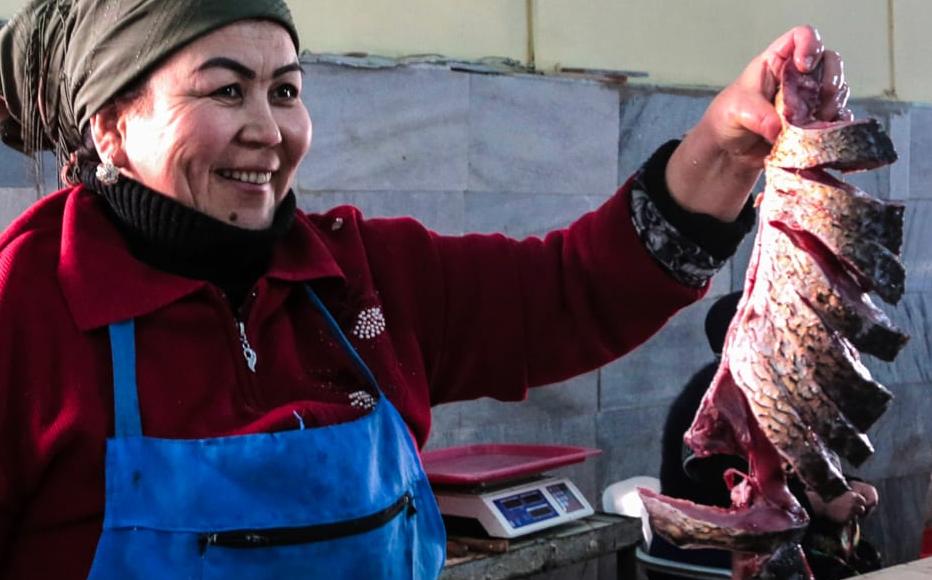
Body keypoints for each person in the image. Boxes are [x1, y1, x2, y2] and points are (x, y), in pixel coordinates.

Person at [0, 1, 851, 578]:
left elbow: (572, 291)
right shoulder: (27, 307)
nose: (269, 131)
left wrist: (725, 147)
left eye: (286, 90)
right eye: (226, 90)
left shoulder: (363, 279)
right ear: (112, 123)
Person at [651, 292, 883, 580]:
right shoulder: (710, 406)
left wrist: (847, 488)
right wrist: (818, 505)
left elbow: (796, 471)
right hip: (712, 552)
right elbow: (723, 489)